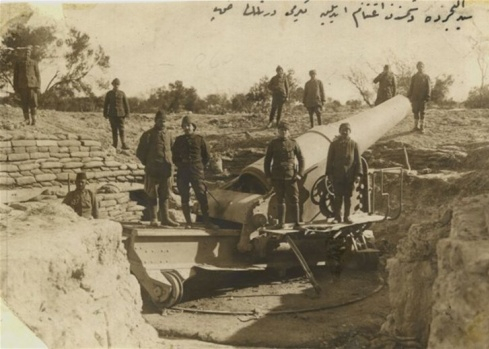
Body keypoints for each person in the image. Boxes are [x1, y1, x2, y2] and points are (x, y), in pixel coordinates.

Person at [172, 115, 218, 229]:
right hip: (183, 171)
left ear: (193, 127)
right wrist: (182, 165)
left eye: (188, 125)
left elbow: (206, 156)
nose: (186, 128)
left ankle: (207, 222)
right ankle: (188, 222)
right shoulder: (179, 140)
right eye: (184, 126)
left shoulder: (200, 139)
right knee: (184, 196)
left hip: (196, 171)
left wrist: (199, 167)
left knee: (201, 195)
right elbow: (175, 157)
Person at [136, 111, 178, 227]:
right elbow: (140, 152)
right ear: (155, 121)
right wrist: (149, 163)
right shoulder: (148, 135)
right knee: (152, 194)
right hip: (153, 170)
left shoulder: (169, 135)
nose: (163, 123)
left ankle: (165, 219)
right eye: (160, 121)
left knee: (165, 195)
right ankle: (154, 219)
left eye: (164, 121)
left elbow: (172, 151)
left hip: (166, 170)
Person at [264, 121, 305, 229]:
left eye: (285, 130)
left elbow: (301, 158)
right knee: (280, 199)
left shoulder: (293, 143)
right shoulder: (273, 144)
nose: (283, 132)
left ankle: (297, 222)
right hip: (277, 176)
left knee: (294, 199)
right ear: (278, 131)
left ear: (289, 132)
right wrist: (268, 176)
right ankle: (281, 223)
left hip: (291, 176)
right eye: (281, 130)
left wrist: (300, 174)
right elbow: (267, 160)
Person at [325, 123, 363, 224]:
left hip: (349, 176)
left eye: (347, 130)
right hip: (337, 175)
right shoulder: (334, 144)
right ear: (339, 131)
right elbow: (329, 160)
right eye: (343, 130)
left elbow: (358, 161)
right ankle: (338, 217)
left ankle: (347, 216)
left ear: (350, 132)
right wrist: (329, 174)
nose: (345, 132)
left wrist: (358, 175)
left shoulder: (354, 144)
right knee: (337, 197)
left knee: (348, 197)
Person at [13, 46, 41, 126]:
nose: (27, 54)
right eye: (25, 52)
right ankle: (27, 120)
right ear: (22, 53)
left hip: (32, 86)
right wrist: (16, 88)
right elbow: (15, 76)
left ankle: (34, 120)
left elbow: (38, 75)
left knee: (33, 103)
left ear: (30, 53)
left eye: (28, 52)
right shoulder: (18, 63)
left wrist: (38, 86)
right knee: (24, 103)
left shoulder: (34, 62)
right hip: (22, 86)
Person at [103, 78, 130, 149]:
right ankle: (115, 144)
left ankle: (123, 144)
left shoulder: (122, 93)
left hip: (121, 114)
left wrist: (127, 113)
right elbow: (106, 104)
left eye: (118, 84)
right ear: (112, 85)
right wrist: (105, 113)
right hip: (112, 114)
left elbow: (126, 104)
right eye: (115, 84)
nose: (116, 86)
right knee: (114, 129)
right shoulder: (109, 94)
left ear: (119, 85)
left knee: (122, 129)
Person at [407, 61, 431, 133]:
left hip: (423, 98)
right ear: (417, 67)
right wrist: (409, 95)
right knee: (415, 111)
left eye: (422, 66)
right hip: (415, 97)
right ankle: (415, 126)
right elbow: (411, 87)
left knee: (422, 112)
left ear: (423, 67)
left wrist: (428, 96)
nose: (421, 67)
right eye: (419, 66)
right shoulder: (414, 77)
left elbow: (429, 87)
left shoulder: (426, 77)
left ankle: (422, 127)